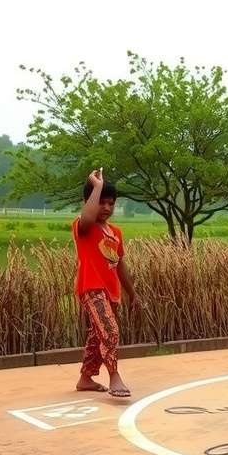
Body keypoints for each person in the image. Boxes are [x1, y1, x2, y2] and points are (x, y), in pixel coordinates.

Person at [72, 169, 137, 397]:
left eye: (111, 203)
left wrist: (133, 293)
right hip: (91, 287)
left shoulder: (116, 232)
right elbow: (87, 217)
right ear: (88, 202)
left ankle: (86, 378)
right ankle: (114, 376)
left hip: (112, 292)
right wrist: (96, 186)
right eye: (101, 202)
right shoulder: (83, 227)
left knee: (97, 336)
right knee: (109, 330)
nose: (107, 208)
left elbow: (119, 265)